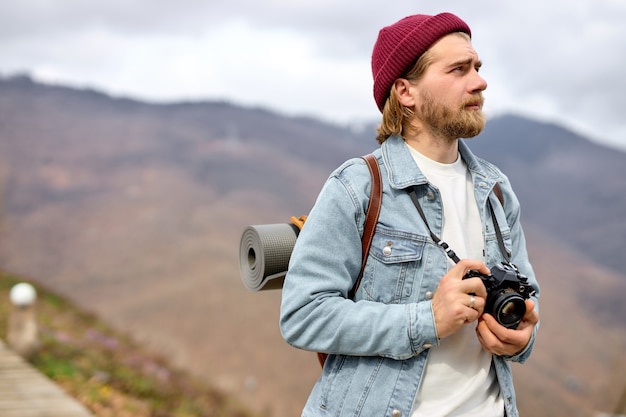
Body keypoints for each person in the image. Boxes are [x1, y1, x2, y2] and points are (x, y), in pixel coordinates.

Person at [279, 12, 540, 417]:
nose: (479, 81)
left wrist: (522, 337)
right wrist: (427, 320)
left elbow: (529, 301)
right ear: (405, 91)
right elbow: (303, 315)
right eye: (458, 70)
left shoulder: (497, 190)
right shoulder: (358, 186)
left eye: (477, 68)